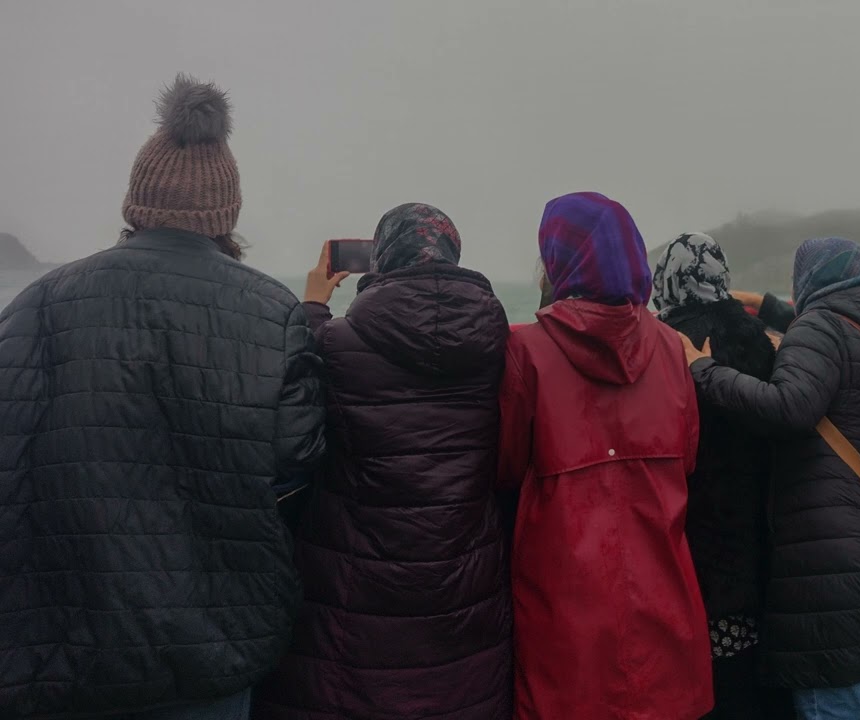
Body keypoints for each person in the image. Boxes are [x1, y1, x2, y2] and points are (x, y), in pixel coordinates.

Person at [0, 74, 325, 719]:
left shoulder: (38, 304)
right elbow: (295, 465)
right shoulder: (274, 312)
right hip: (209, 649)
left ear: (136, 202)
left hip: (57, 648)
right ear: (224, 211)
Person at [681, 236, 860, 720]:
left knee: (840, 704)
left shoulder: (821, 324)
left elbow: (789, 407)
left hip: (840, 567)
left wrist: (702, 369)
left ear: (811, 279)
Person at [252, 204, 513, 719]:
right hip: (463, 585)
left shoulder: (333, 340)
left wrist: (311, 304)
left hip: (357, 591)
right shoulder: (497, 344)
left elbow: (295, 418)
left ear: (382, 258)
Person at [498, 192, 713, 719]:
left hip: (562, 591)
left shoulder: (525, 349)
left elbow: (503, 466)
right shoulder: (669, 345)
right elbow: (687, 457)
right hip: (664, 585)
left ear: (557, 259)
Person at [652, 233, 792, 720]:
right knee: (744, 643)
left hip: (687, 515)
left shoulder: (662, 340)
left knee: (700, 647)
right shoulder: (755, 336)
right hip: (754, 514)